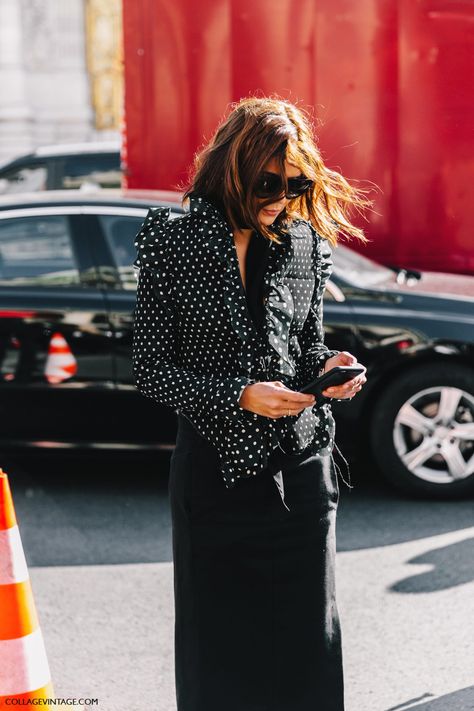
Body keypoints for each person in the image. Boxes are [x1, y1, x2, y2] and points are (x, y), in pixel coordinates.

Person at [132, 96, 371, 711]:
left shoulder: (303, 246)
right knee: (219, 652)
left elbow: (308, 343)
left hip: (304, 477)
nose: (284, 197)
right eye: (271, 181)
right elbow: (152, 369)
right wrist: (238, 396)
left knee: (307, 650)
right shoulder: (174, 242)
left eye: (298, 183)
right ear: (232, 170)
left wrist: (330, 371)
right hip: (214, 477)